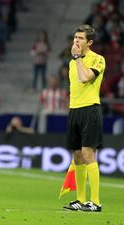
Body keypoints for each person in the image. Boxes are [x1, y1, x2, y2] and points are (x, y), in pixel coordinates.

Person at [63, 24, 105, 212]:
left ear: (89, 42)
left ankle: (95, 202)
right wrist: (76, 59)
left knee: (88, 153)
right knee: (77, 156)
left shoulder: (98, 59)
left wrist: (78, 58)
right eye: (75, 38)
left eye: (80, 38)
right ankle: (80, 200)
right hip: (75, 110)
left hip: (90, 110)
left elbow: (84, 78)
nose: (76, 41)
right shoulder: (72, 62)